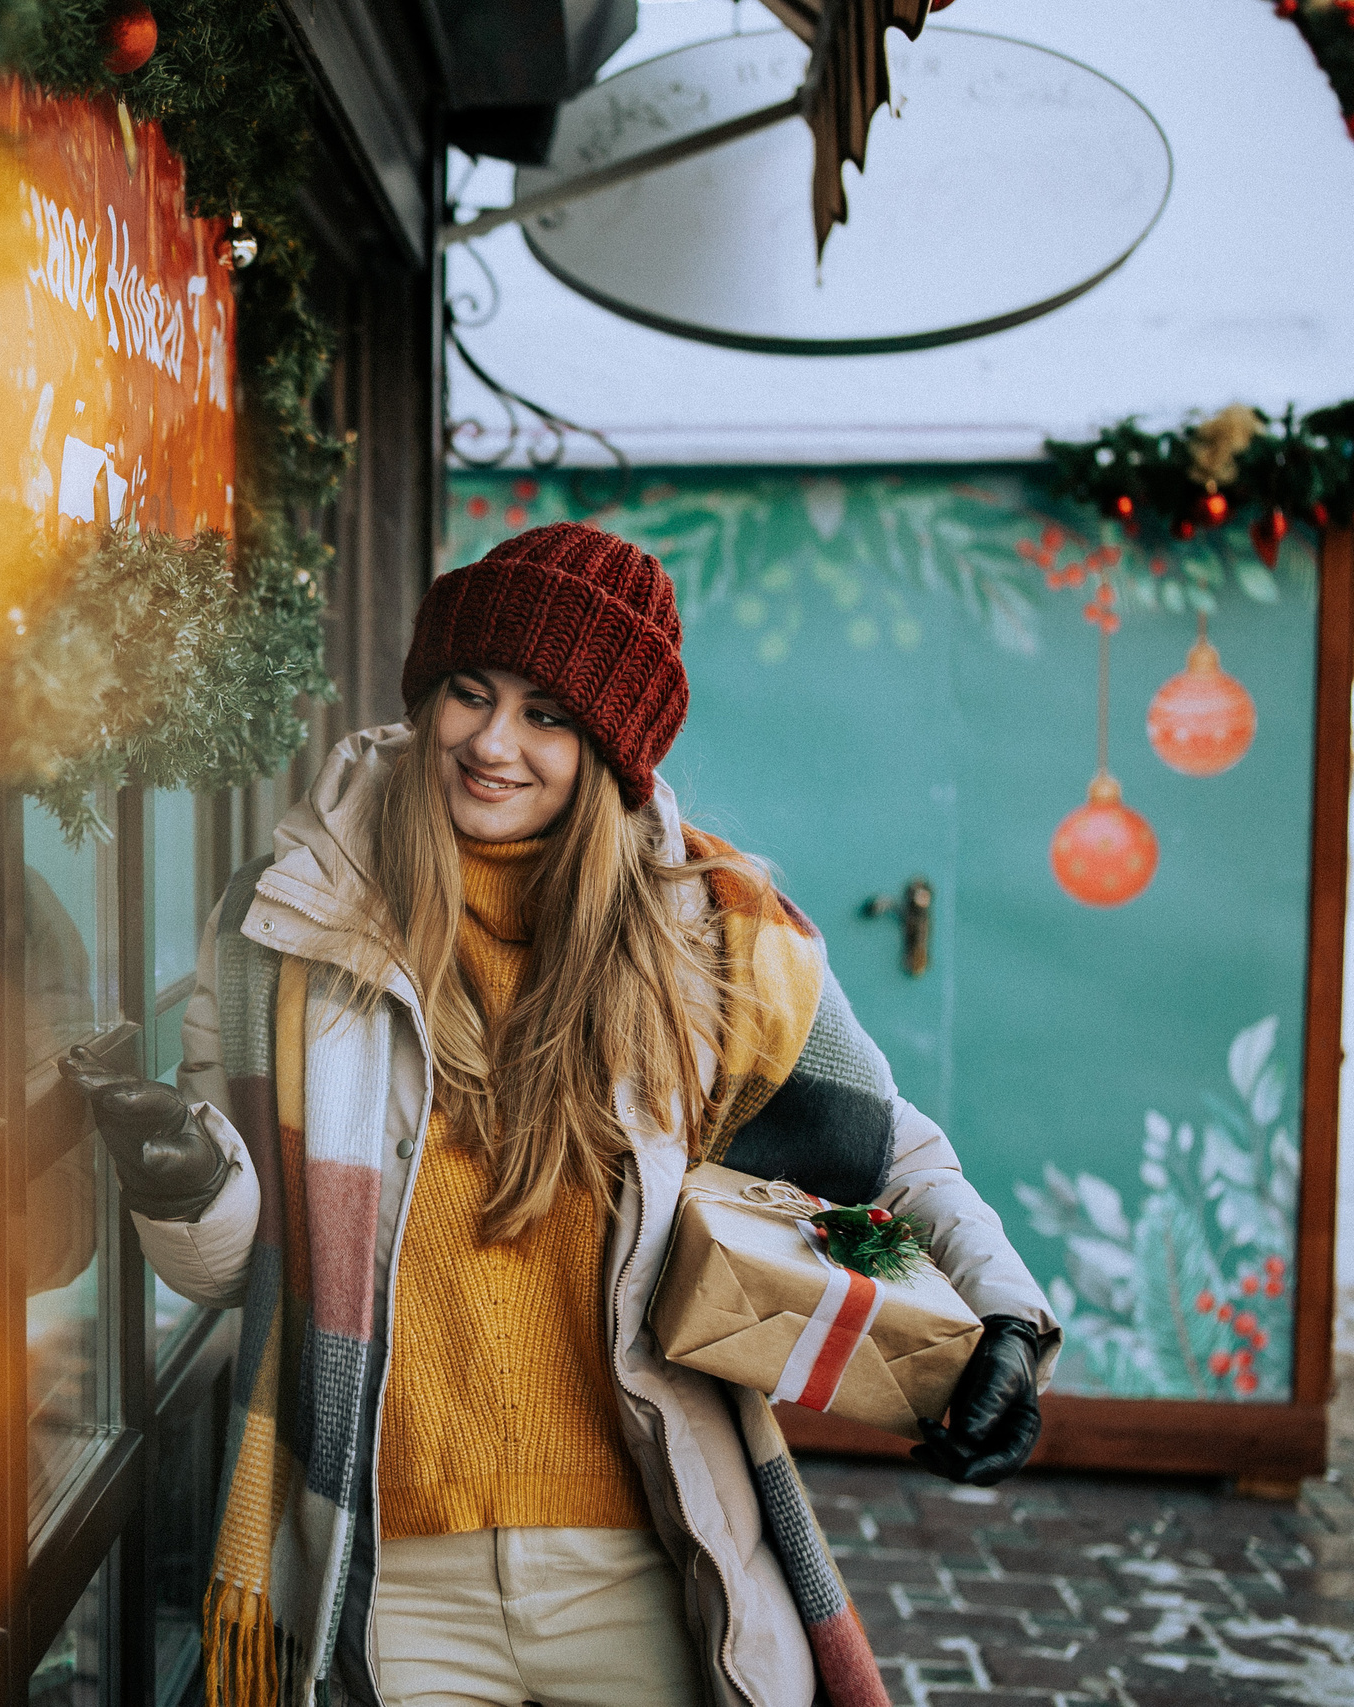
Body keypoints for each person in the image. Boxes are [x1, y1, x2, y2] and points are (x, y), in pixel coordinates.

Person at [57, 523, 1056, 1707]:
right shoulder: (284, 922)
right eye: (468, 695)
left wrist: (1001, 1319)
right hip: (395, 1582)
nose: (492, 743)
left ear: (612, 748)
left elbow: (891, 1155)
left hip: (641, 1563)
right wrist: (183, 1185)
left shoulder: (714, 934)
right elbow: (243, 1270)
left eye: (548, 716)